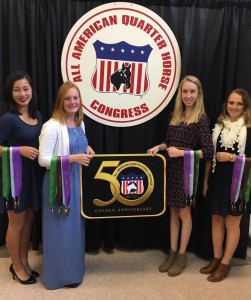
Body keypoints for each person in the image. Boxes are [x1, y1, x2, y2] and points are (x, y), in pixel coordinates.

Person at [147, 75, 214, 276]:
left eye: (192, 91)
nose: (188, 95)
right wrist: (159, 147)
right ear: (180, 93)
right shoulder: (173, 116)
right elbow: (169, 141)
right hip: (172, 170)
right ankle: (173, 251)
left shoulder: (201, 119)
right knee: (173, 213)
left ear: (199, 94)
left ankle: (182, 255)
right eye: (185, 91)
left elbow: (208, 152)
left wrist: (183, 153)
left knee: (184, 213)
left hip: (188, 173)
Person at [38, 81, 95, 289]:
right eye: (68, 98)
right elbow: (43, 159)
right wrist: (74, 158)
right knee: (60, 229)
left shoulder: (80, 123)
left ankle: (73, 273)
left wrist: (87, 148)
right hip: (58, 183)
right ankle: (58, 276)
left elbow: (77, 144)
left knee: (74, 230)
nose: (72, 102)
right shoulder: (51, 126)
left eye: (75, 98)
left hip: (77, 180)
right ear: (61, 102)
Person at [200, 89, 251, 282]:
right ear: (226, 104)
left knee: (231, 223)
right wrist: (205, 182)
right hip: (217, 178)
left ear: (245, 106)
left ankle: (225, 264)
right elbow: (210, 158)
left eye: (239, 104)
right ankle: (216, 257)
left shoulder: (249, 128)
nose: (234, 107)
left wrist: (232, 158)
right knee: (216, 220)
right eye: (231, 103)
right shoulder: (219, 125)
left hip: (238, 182)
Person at [0, 71, 43, 284]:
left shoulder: (39, 116)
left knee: (28, 221)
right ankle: (16, 266)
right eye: (17, 89)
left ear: (32, 90)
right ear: (10, 93)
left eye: (25, 88)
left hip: (33, 175)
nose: (22, 93)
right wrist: (18, 150)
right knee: (15, 223)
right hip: (15, 178)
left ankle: (24, 261)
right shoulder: (8, 118)